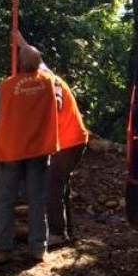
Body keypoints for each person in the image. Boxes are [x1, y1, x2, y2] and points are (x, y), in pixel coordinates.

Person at [0, 37, 62, 264]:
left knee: (6, 200)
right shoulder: (49, 83)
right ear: (39, 64)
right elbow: (59, 102)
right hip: (38, 150)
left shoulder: (7, 85)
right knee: (37, 199)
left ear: (19, 64)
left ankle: (3, 249)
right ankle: (38, 248)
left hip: (10, 149)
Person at [47, 76, 88, 247]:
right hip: (73, 140)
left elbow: (55, 107)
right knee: (60, 185)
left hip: (68, 141)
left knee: (52, 185)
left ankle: (57, 233)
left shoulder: (47, 81)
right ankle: (67, 231)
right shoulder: (50, 79)